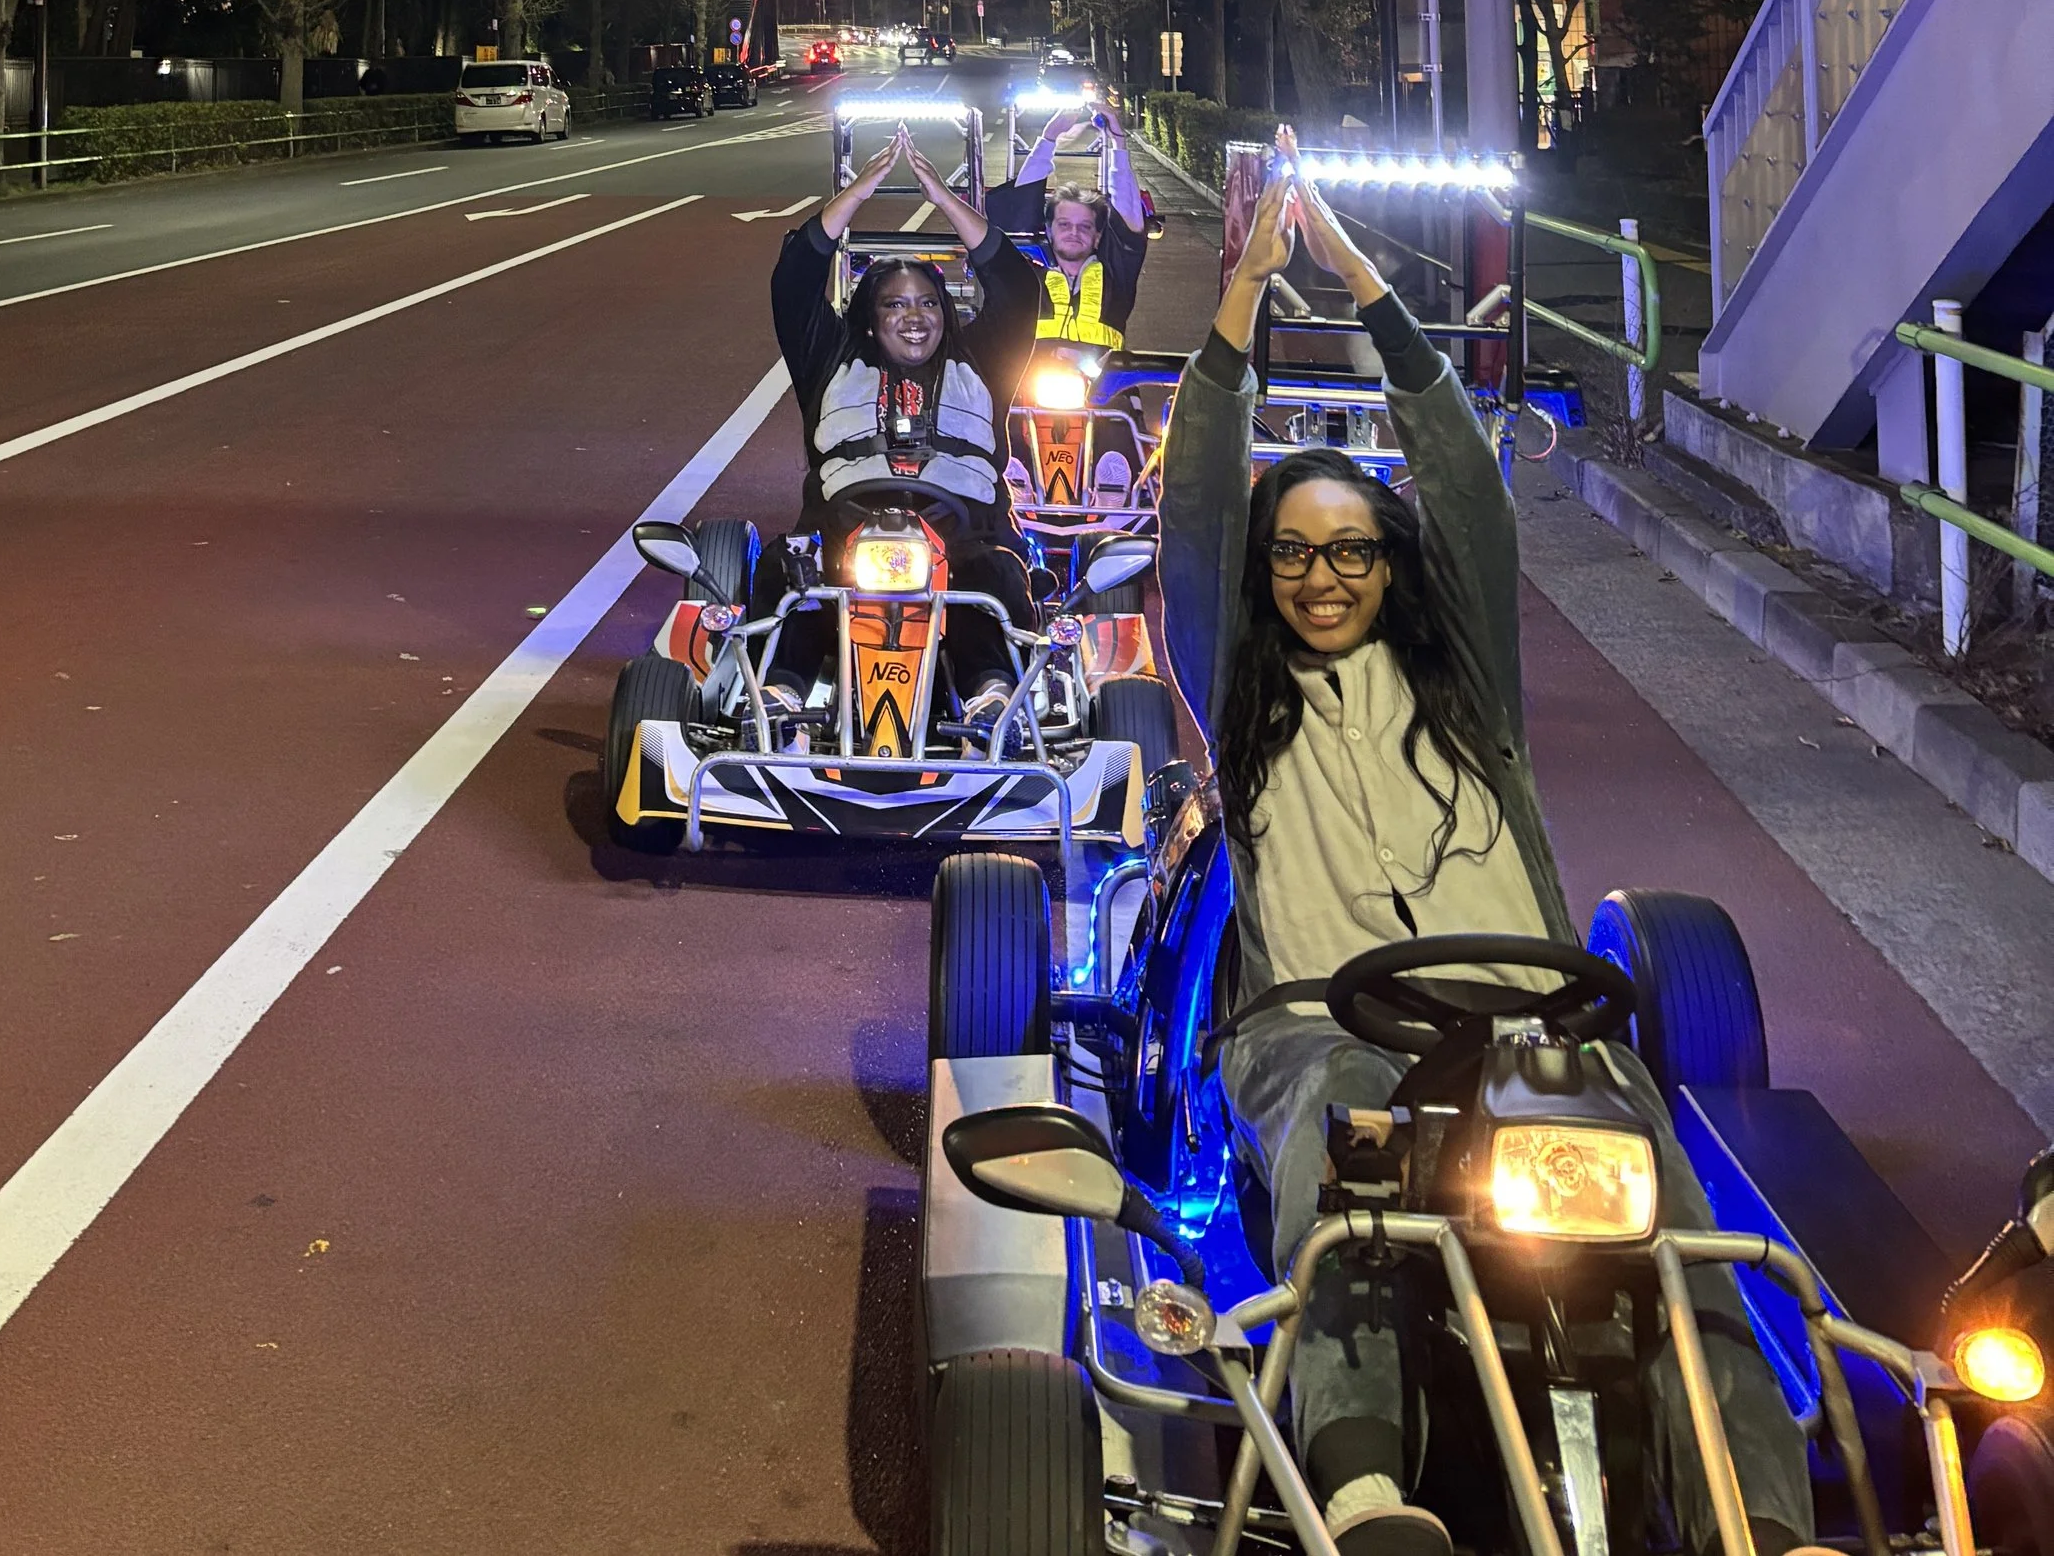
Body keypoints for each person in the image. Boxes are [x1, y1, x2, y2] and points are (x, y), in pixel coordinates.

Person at [1157, 133, 1815, 1556]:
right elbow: (1198, 508)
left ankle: (1757, 1517)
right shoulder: (1243, 702)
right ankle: (1362, 1491)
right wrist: (1243, 307)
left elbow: (1464, 484)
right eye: (1293, 553)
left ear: (1392, 564)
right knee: (1349, 1172)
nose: (1321, 577)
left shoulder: (1473, 703)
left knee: (1686, 1240)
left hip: (1531, 1028)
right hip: (1319, 1029)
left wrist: (1360, 284)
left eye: (1351, 549)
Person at [765, 122, 1043, 727]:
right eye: (894, 303)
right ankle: (781, 694)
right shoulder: (832, 362)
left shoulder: (980, 364)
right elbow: (793, 280)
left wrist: (944, 199)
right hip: (844, 536)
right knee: (792, 566)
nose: (914, 317)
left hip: (964, 538)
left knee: (991, 572)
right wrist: (861, 190)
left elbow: (1019, 288)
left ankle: (990, 697)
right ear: (870, 316)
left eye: (927, 303)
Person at [985, 106, 1151, 356]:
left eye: (1085, 226)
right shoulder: (1029, 275)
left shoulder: (1115, 275)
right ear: (1049, 231)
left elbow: (1127, 214)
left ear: (1097, 237)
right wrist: (1049, 137)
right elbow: (1019, 210)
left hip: (1103, 388)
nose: (1074, 232)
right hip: (1032, 384)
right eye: (1064, 224)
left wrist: (1118, 141)